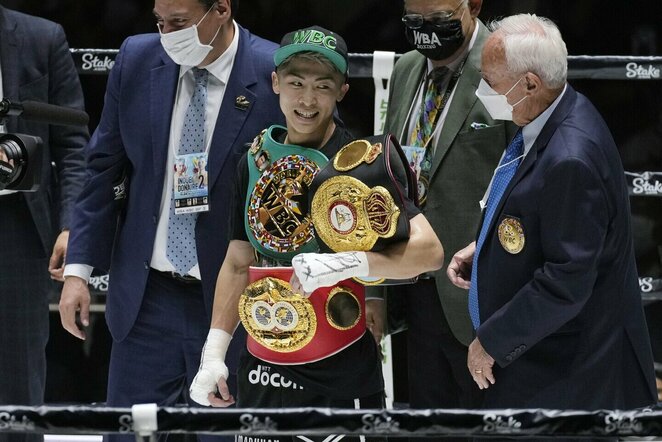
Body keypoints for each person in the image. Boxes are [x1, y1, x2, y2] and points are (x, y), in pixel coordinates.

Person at [188, 25, 444, 442]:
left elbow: (429, 251)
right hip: (262, 364)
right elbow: (238, 262)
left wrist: (354, 262)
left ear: (342, 90)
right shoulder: (253, 159)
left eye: (322, 86)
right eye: (296, 83)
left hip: (339, 365)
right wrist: (214, 351)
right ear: (275, 84)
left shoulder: (364, 163)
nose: (307, 100)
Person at [58, 1, 282, 441]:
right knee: (129, 434)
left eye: (178, 23)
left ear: (221, 9)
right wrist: (78, 271)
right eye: (159, 21)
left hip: (235, 303)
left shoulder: (273, 70)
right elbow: (104, 165)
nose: (166, 33)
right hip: (146, 300)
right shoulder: (139, 58)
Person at [446, 13, 657, 436]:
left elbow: (566, 279)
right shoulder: (558, 111)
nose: (481, 90)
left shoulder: (570, 157)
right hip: (549, 361)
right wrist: (486, 246)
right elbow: (543, 221)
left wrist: (493, 341)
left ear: (529, 83)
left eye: (490, 80)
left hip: (569, 372)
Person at [367, 0, 517, 421]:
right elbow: (385, 177)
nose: (427, 30)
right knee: (429, 423)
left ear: (473, 5)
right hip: (412, 283)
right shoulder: (406, 69)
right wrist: (375, 287)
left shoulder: (506, 63)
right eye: (415, 20)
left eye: (439, 19)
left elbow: (526, 177)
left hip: (478, 289)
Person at [0, 5, 88, 442]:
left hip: (17, 226)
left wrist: (71, 224)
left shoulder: (40, 37)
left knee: (18, 377)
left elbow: (73, 143)